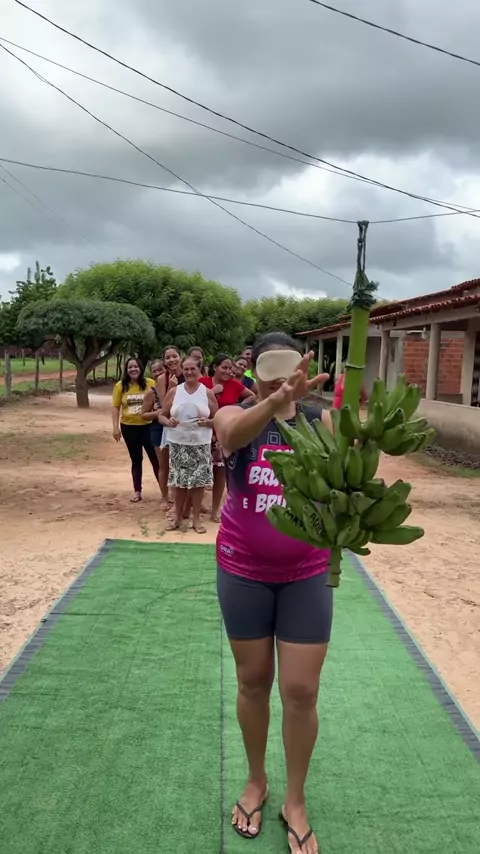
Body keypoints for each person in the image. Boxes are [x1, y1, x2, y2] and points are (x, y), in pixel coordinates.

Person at [213, 332, 331, 854]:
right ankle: (256, 780)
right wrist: (274, 402)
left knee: (301, 691)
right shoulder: (234, 414)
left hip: (307, 571)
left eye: (287, 367)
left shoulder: (320, 423)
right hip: (242, 568)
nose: (280, 376)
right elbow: (231, 436)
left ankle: (295, 799)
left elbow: (347, 478)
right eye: (268, 367)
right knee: (253, 680)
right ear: (253, 370)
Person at [159, 355, 218, 532]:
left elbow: (218, 418)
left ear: (200, 370)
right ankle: (177, 517)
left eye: (193, 368)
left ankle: (196, 520)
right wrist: (167, 421)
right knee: (178, 481)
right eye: (186, 369)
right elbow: (162, 415)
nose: (189, 372)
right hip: (178, 442)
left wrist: (208, 422)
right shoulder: (175, 391)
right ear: (182, 370)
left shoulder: (207, 392)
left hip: (201, 443)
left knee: (199, 482)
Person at [200, 354, 254, 522]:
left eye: (230, 368)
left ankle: (215, 510)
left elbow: (252, 396)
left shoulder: (234, 385)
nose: (228, 371)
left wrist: (238, 408)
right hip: (203, 433)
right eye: (224, 367)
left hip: (223, 433)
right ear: (214, 367)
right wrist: (211, 393)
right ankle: (196, 505)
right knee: (201, 471)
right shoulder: (203, 383)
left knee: (220, 472)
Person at [112, 357, 160, 503]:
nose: (133, 369)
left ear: (141, 368)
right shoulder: (120, 386)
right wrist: (115, 427)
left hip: (149, 427)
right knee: (136, 460)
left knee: (156, 459)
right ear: (126, 370)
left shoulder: (151, 383)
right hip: (129, 428)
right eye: (130, 367)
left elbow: (160, 400)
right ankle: (137, 491)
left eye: (136, 366)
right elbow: (116, 407)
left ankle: (165, 491)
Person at [156, 346, 185, 508]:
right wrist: (171, 387)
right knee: (166, 464)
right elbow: (163, 405)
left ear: (180, 357)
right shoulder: (163, 379)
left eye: (174, 356)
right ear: (164, 361)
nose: (172, 360)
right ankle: (165, 498)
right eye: (168, 357)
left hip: (189, 427)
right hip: (170, 426)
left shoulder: (190, 374)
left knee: (185, 465)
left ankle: (184, 501)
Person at [140, 359, 168, 500]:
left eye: (160, 369)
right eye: (154, 371)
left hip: (177, 428)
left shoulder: (176, 387)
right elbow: (144, 415)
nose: (157, 373)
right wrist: (157, 413)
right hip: (158, 429)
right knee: (163, 465)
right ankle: (165, 496)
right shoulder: (151, 392)